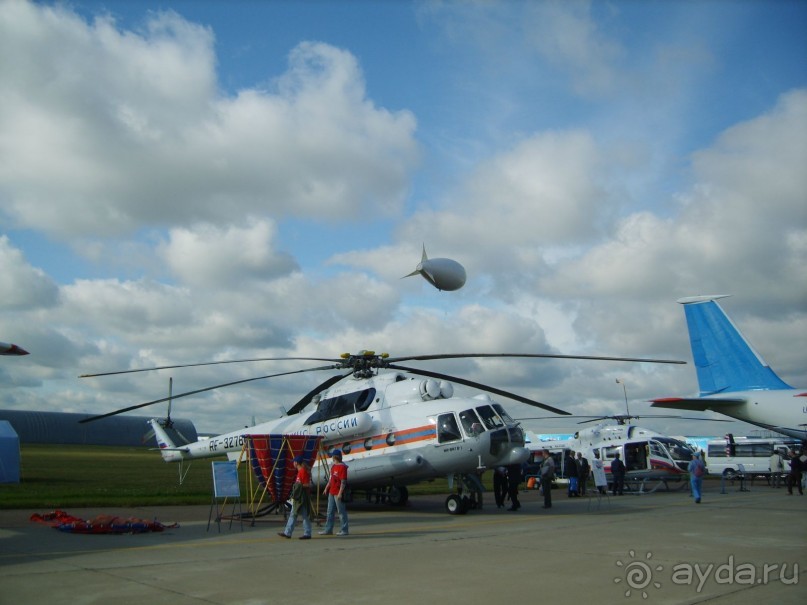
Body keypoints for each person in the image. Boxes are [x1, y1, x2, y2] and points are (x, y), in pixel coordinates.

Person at [279, 455, 313, 540]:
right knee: (293, 514)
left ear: (297, 463)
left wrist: (299, 486)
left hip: (302, 497)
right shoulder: (300, 472)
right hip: (298, 497)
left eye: (294, 462)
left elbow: (307, 484)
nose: (293, 463)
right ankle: (287, 533)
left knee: (304, 515)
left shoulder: (303, 472)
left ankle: (307, 533)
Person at [319, 449, 349, 536]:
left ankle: (344, 529)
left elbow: (343, 481)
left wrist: (340, 493)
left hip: (338, 492)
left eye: (332, 456)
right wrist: (326, 488)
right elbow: (331, 479)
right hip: (332, 491)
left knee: (341, 511)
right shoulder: (333, 466)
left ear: (335, 457)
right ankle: (328, 529)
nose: (331, 457)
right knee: (329, 511)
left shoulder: (342, 467)